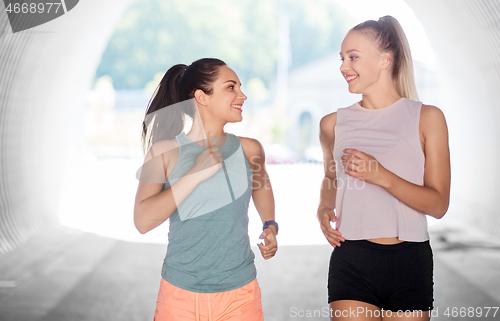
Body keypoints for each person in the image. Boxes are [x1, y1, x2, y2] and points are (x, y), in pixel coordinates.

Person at [317, 16, 450, 321]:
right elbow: (330, 177)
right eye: (342, 58)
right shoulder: (332, 124)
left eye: (353, 57)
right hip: (352, 258)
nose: (343, 67)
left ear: (384, 60)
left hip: (409, 260)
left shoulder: (427, 118)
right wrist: (323, 209)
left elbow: (439, 204)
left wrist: (382, 176)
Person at [134, 58, 278, 321]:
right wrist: (194, 175)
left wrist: (269, 223)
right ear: (201, 97)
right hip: (179, 295)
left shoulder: (250, 149)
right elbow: (143, 221)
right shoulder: (163, 153)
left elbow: (261, 187)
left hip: (240, 294)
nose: (242, 95)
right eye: (231, 87)